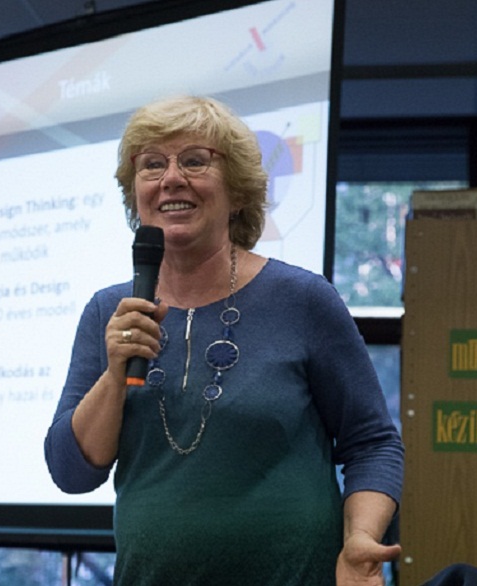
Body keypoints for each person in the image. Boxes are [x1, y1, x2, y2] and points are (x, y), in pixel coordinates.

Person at [44, 95, 405, 585]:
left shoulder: (303, 299)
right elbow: (71, 473)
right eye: (152, 164)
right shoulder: (110, 312)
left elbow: (373, 443)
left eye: (195, 161)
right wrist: (113, 376)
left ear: (237, 193)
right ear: (135, 193)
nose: (172, 178)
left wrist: (360, 536)